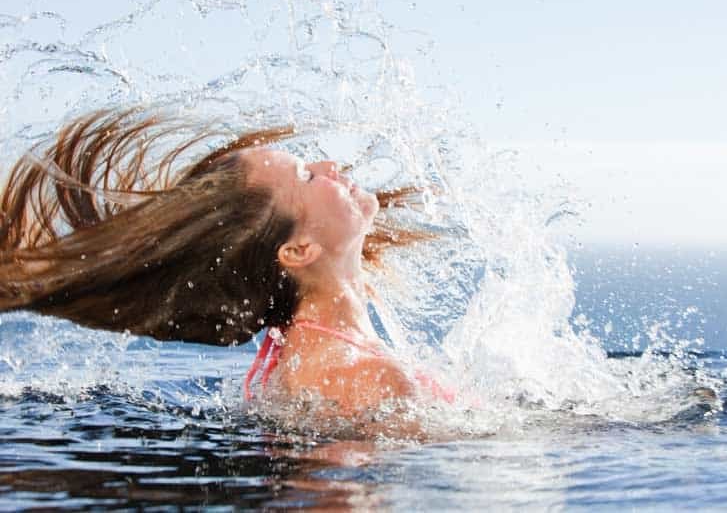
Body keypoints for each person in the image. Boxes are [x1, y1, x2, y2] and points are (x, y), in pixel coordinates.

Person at [0, 108, 451, 434]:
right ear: (297, 249)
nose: (330, 166)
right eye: (308, 178)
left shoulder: (313, 354)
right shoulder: (361, 378)